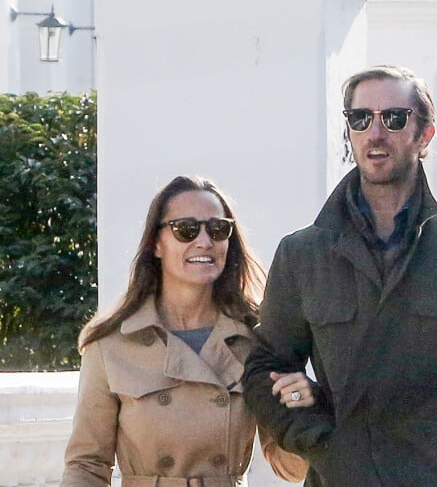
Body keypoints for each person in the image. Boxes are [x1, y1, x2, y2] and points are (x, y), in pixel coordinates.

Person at [243, 65, 437, 486]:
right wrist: (320, 440)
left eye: (394, 119)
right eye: (361, 119)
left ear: (425, 135)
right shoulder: (304, 254)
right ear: (350, 133)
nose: (375, 133)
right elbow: (263, 369)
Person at [62, 175, 310, 487]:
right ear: (156, 243)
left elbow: (289, 468)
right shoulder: (111, 344)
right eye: (186, 230)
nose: (204, 241)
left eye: (218, 229)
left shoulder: (256, 339)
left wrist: (300, 411)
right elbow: (87, 466)